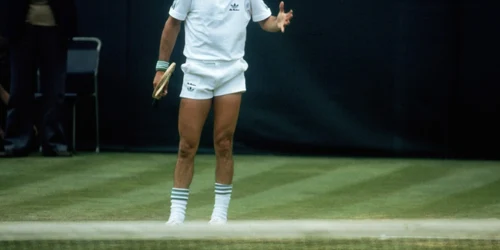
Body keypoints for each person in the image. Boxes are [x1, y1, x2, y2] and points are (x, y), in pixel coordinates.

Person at [153, 0, 293, 225]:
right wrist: (161, 68)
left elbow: (265, 21)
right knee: (187, 146)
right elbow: (172, 23)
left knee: (224, 143)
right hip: (197, 73)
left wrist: (277, 22)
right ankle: (177, 216)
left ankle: (219, 215)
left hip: (231, 73)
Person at [0, 0, 78, 157]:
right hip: (21, 29)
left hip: (55, 29)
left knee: (54, 90)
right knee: (20, 89)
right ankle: (16, 142)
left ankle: (54, 143)